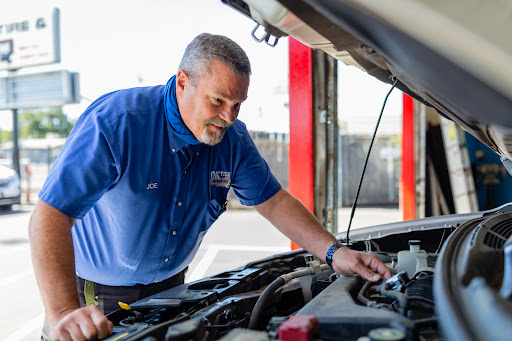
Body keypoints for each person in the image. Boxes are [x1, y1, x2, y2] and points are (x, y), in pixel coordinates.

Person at [29, 33, 391, 341]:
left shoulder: (233, 139)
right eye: (218, 101)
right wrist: (63, 311)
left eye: (238, 104)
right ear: (183, 82)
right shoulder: (116, 123)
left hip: (172, 290)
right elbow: (49, 216)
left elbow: (275, 201)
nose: (229, 117)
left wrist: (333, 252)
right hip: (90, 295)